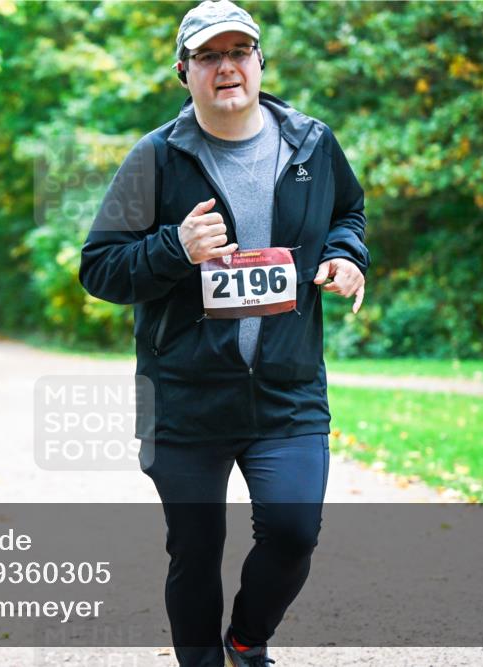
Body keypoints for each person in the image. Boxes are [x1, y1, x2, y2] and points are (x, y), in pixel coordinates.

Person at [78, 2, 369, 665]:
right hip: (184, 399)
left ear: (261, 63)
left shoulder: (312, 143)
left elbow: (348, 209)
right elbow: (99, 269)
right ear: (184, 73)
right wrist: (173, 248)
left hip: (286, 393)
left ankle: (246, 639)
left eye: (239, 52)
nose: (227, 67)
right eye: (209, 56)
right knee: (196, 548)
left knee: (294, 531)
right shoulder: (153, 159)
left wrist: (347, 255)